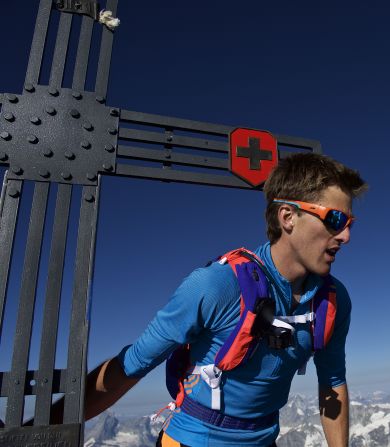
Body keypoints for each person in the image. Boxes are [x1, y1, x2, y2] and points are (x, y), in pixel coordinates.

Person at [58, 153, 367, 446]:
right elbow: (131, 365)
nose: (346, 237)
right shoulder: (217, 285)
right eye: (335, 219)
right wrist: (42, 428)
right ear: (288, 217)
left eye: (349, 224)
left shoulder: (332, 301)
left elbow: (332, 382)